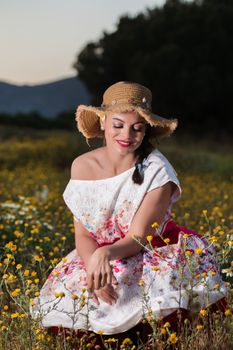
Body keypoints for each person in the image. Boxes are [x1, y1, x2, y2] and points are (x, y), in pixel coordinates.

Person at [30, 81, 228, 346]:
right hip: (100, 255)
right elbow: (84, 233)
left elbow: (140, 237)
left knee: (151, 324)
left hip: (150, 249)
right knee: (76, 306)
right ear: (103, 121)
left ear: (145, 130)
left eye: (137, 128)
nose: (127, 135)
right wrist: (93, 266)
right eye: (118, 125)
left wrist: (105, 254)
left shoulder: (157, 170)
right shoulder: (81, 166)